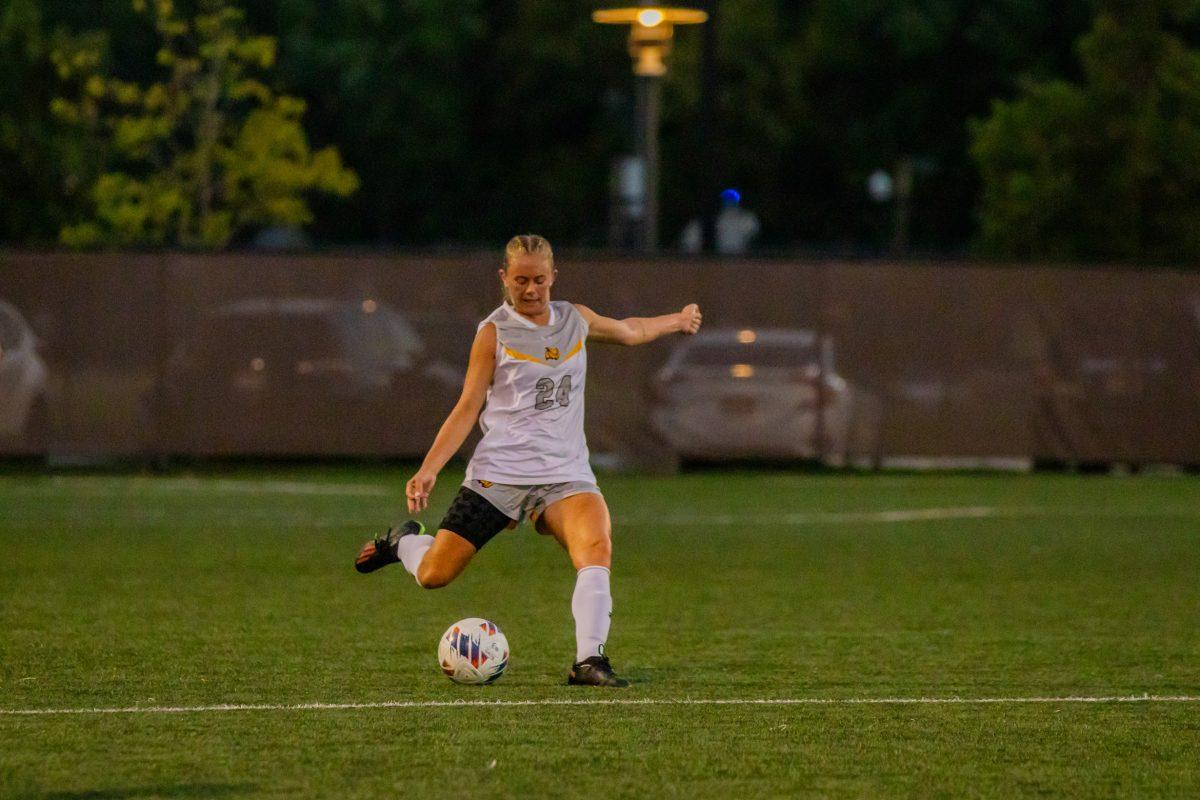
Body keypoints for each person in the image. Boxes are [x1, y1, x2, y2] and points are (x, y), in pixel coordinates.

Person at [355, 234, 702, 686]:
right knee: (435, 575)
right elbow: (467, 406)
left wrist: (676, 320)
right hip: (499, 474)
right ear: (504, 278)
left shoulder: (574, 319)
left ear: (553, 277)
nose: (531, 289)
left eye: (539, 279)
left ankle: (589, 661)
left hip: (566, 474)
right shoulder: (494, 332)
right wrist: (429, 469)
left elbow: (630, 330)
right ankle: (403, 543)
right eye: (521, 280)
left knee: (596, 548)